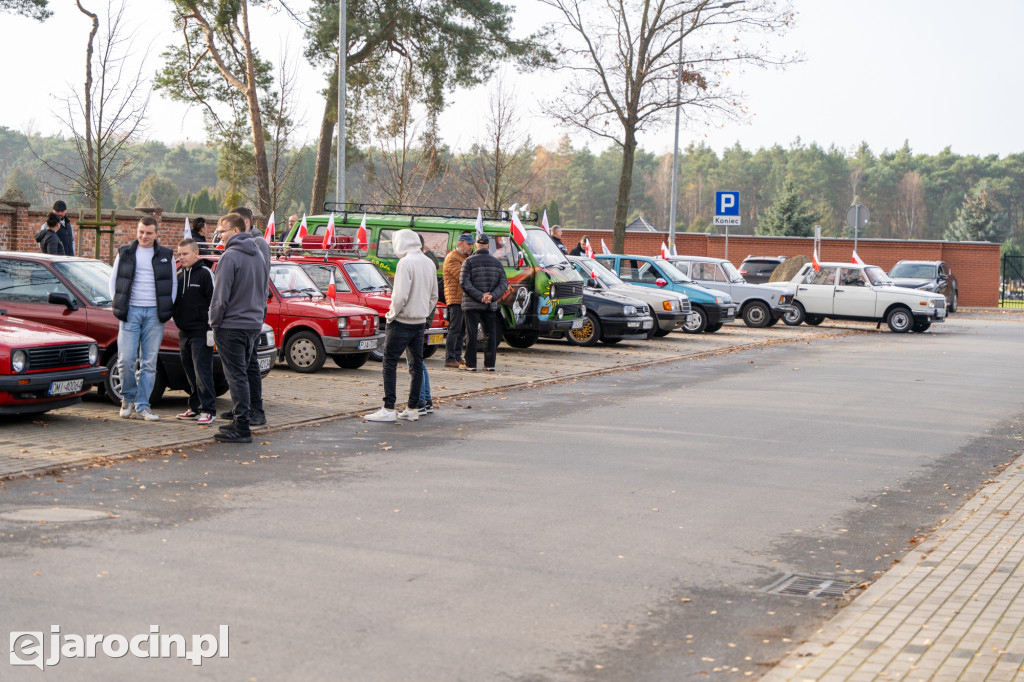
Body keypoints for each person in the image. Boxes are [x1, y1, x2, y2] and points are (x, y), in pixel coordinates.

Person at [364, 229, 438, 423]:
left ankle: (389, 407)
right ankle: (413, 407)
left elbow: (399, 296)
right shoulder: (428, 262)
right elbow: (433, 296)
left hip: (402, 321)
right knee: (416, 364)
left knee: (389, 363)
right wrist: (423, 311)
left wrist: (392, 315)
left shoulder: (405, 263)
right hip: (420, 321)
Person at [209, 213, 270, 443]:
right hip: (252, 324)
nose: (220, 236)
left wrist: (214, 322)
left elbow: (220, 297)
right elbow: (262, 290)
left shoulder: (230, 257)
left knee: (236, 376)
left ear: (235, 231)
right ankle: (239, 418)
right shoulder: (258, 256)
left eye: (222, 232)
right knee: (243, 372)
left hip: (231, 325)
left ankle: (242, 426)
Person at [108, 217, 177, 421]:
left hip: (154, 314)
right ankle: (127, 398)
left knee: (149, 362)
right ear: (136, 232)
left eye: (148, 232)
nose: (144, 236)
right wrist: (119, 304)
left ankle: (143, 406)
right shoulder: (125, 253)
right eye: (141, 232)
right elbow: (113, 281)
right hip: (130, 313)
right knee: (125, 360)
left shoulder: (167, 255)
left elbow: (172, 284)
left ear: (156, 234)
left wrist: (165, 309)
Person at [224, 206, 270, 427]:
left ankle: (255, 410)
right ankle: (241, 408)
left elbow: (262, 280)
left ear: (244, 223)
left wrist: (258, 311)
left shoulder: (258, 245)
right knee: (244, 364)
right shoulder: (240, 247)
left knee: (249, 365)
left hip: (250, 314)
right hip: (249, 314)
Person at [173, 238, 217, 425]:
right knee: (190, 371)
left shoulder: (205, 274)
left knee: (202, 371)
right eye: (179, 254)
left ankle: (208, 410)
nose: (181, 257)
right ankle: (194, 406)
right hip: (184, 331)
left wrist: (211, 328)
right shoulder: (179, 275)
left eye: (185, 254)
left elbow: (214, 302)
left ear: (196, 253)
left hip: (201, 331)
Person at [460, 234, 508, 372]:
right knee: (490, 334)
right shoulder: (497, 262)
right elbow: (503, 283)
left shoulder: (468, 262)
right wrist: (491, 296)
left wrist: (480, 296)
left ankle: (470, 364)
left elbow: (464, 282)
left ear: (476, 245)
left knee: (471, 333)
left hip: (472, 304)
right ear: (488, 246)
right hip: (489, 305)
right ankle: (489, 364)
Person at [442, 233, 474, 368]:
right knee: (454, 329)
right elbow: (462, 275)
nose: (471, 247)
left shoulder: (465, 258)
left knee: (461, 329)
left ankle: (457, 356)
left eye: (472, 244)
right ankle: (450, 358)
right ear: (460, 243)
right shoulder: (452, 258)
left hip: (462, 298)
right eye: (469, 244)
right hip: (455, 298)